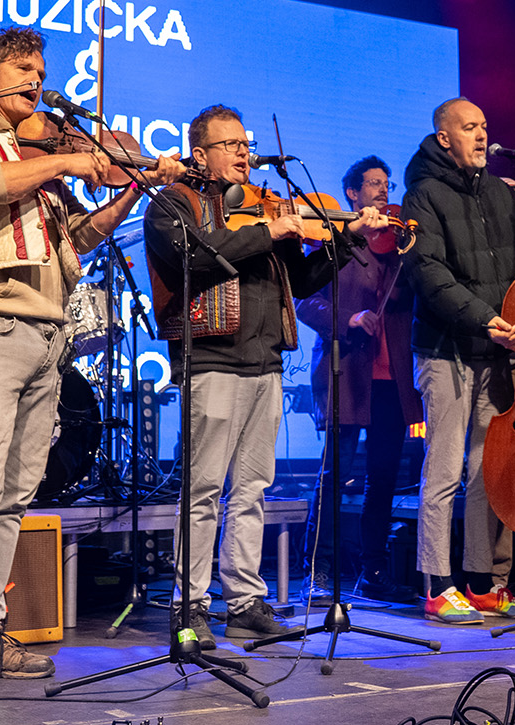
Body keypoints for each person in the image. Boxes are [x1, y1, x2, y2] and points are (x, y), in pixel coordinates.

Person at [0, 26, 184, 687]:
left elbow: (76, 238)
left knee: (13, 493)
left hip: (45, 331)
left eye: (41, 70)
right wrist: (64, 163)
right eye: (23, 69)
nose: (37, 80)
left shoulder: (26, 150)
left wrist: (132, 186)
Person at [145, 106, 388, 646]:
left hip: (266, 361)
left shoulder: (262, 206)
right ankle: (189, 606)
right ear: (200, 153)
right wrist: (268, 230)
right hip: (211, 359)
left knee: (252, 489)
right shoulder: (172, 203)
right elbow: (197, 256)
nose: (243, 152)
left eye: (245, 144)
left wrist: (346, 238)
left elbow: (300, 281)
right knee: (203, 490)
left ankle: (244, 601)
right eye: (229, 144)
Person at [400, 97, 515, 624]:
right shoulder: (421, 195)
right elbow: (429, 274)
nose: (481, 135)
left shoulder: (499, 191)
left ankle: (481, 583)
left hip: (493, 353)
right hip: (446, 351)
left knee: (486, 472)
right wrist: (485, 318)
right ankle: (437, 585)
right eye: (469, 127)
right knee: (443, 471)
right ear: (444, 138)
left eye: (484, 126)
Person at [296, 156, 422, 604]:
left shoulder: (398, 247)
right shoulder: (335, 240)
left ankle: (373, 568)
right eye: (373, 183)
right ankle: (319, 569)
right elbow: (305, 302)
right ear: (352, 193)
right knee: (336, 474)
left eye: (386, 183)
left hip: (392, 378)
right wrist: (349, 318)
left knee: (383, 478)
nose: (383, 190)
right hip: (348, 371)